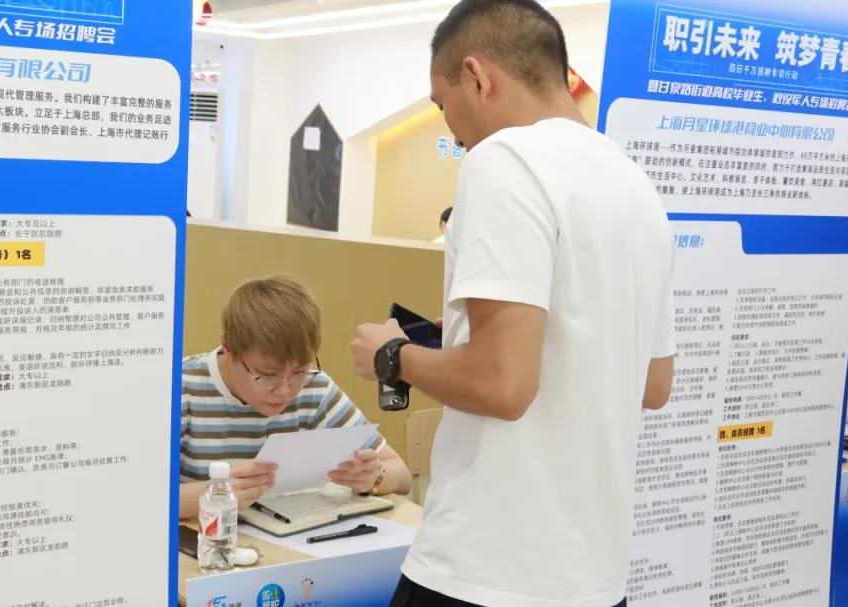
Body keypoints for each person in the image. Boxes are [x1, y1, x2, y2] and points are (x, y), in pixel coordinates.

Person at [350, 1, 675, 606]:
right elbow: (654, 384)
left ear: (477, 76)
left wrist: (392, 355)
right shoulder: (634, 184)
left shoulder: (503, 160)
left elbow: (503, 385)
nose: (452, 130)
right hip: (592, 578)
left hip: (486, 567)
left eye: (442, 103)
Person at [180, 274, 411, 519]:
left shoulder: (315, 388)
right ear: (228, 347)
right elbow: (149, 498)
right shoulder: (181, 388)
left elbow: (402, 475)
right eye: (267, 375)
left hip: (290, 534)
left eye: (299, 371)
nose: (285, 391)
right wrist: (217, 494)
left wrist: (374, 477)